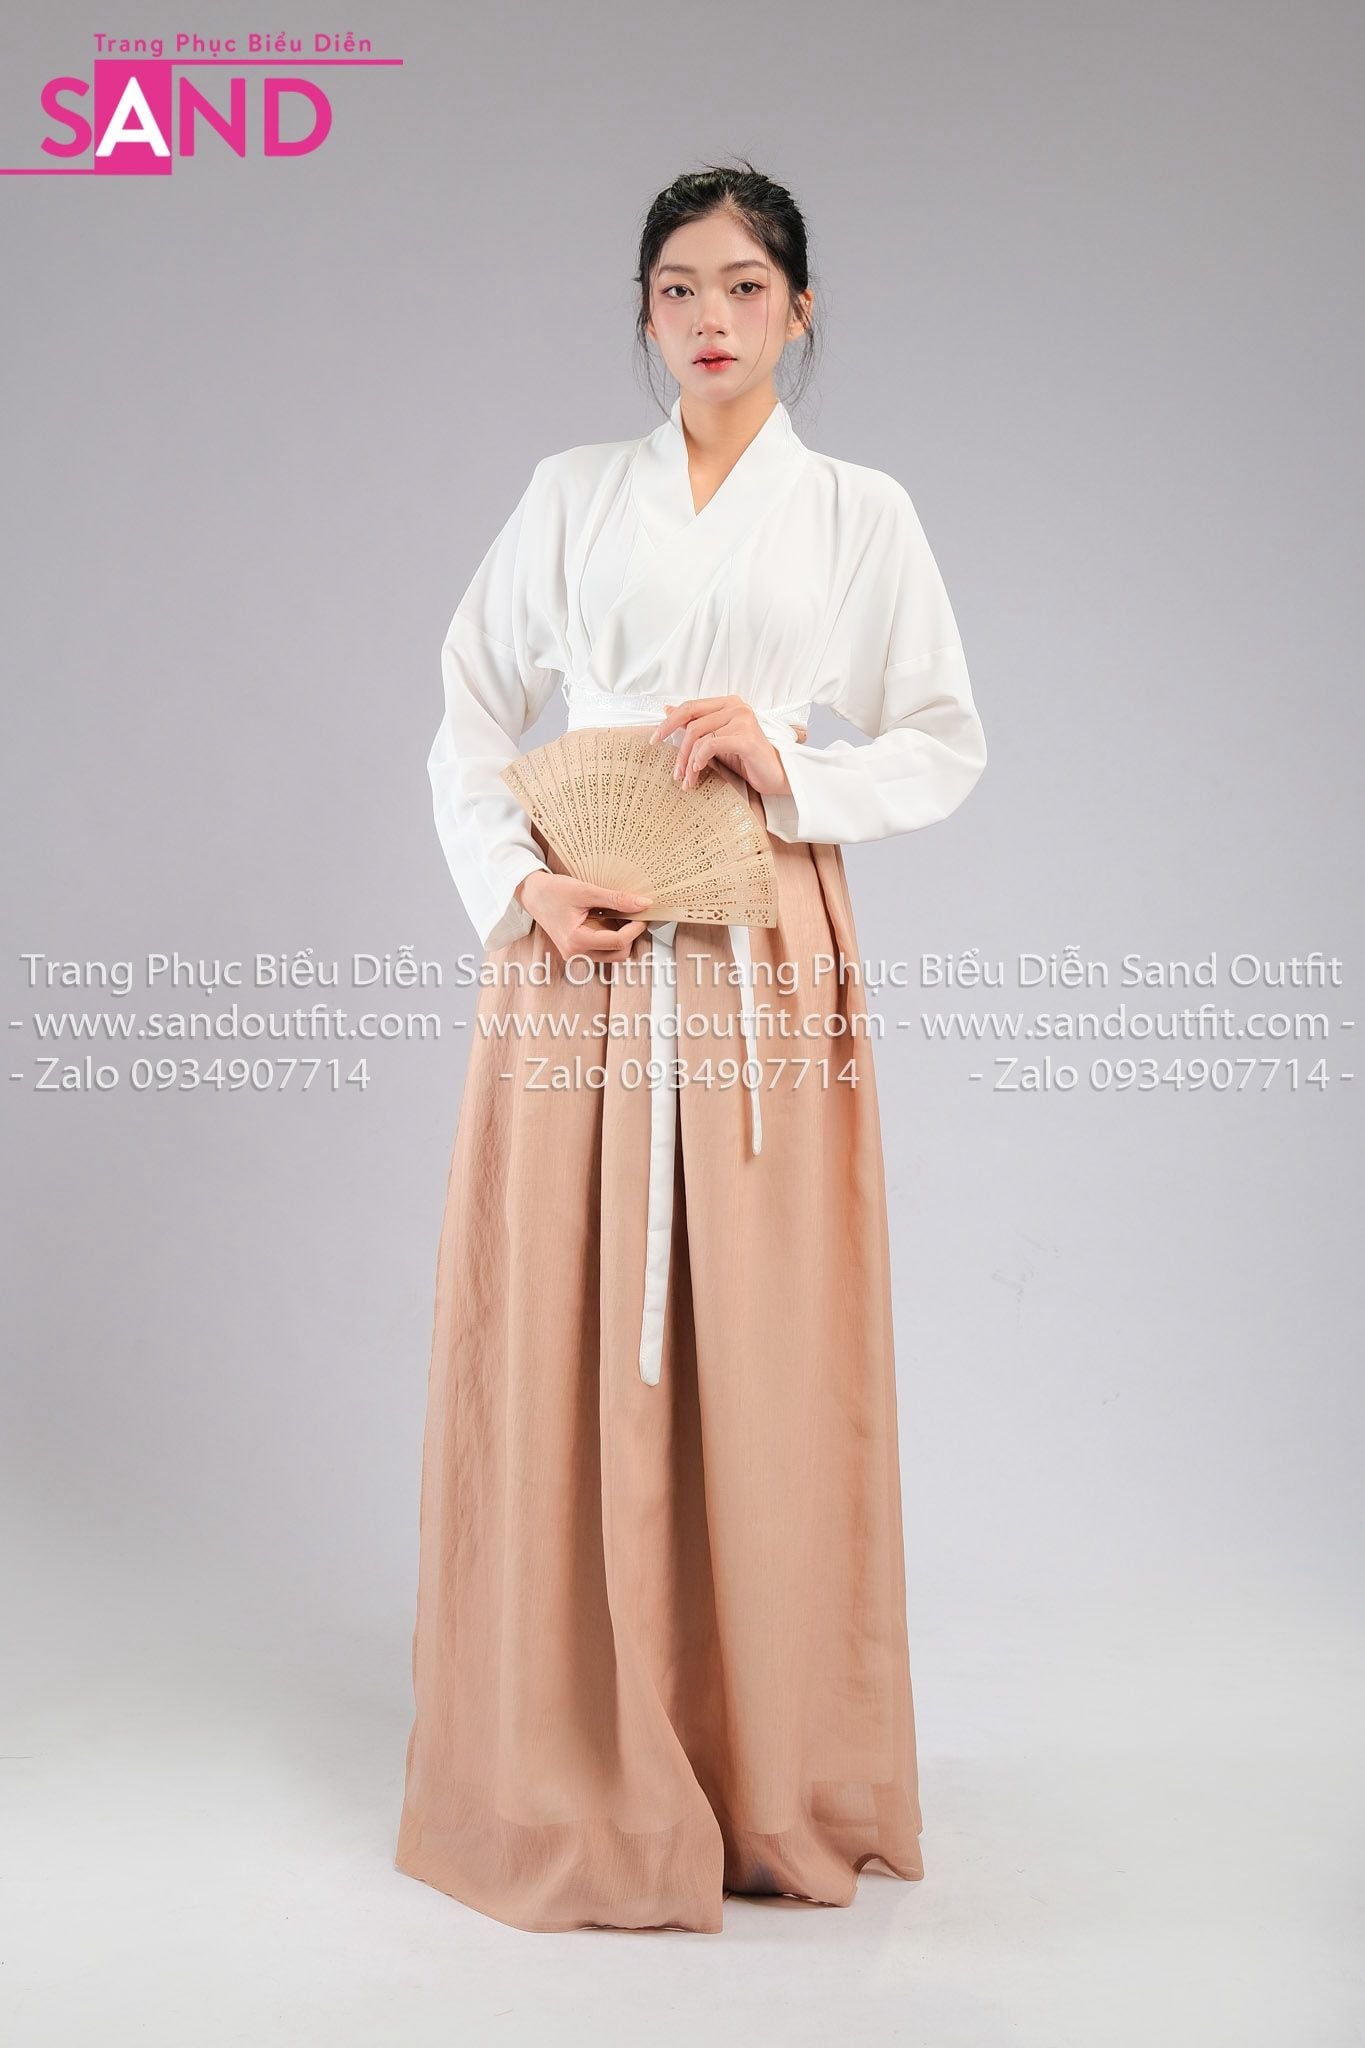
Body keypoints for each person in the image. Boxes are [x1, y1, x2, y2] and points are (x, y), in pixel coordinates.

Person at [394, 160, 987, 1934]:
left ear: (799, 311)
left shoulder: (860, 512)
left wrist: (784, 762)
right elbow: (466, 712)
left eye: (742, 286)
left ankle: (765, 1766)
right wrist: (520, 884)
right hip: (585, 942)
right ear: (643, 316)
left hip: (757, 949)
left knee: (766, 1330)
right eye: (676, 288)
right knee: (566, 1321)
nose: (709, 318)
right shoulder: (570, 494)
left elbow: (941, 739)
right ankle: (569, 1753)